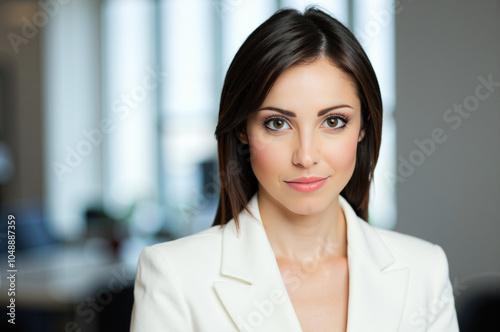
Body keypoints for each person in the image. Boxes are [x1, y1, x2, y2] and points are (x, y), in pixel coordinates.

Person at [130, 6, 459, 332]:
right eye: (277, 123)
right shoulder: (175, 276)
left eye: (333, 121)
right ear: (243, 129)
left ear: (363, 128)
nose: (305, 156)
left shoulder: (424, 270)